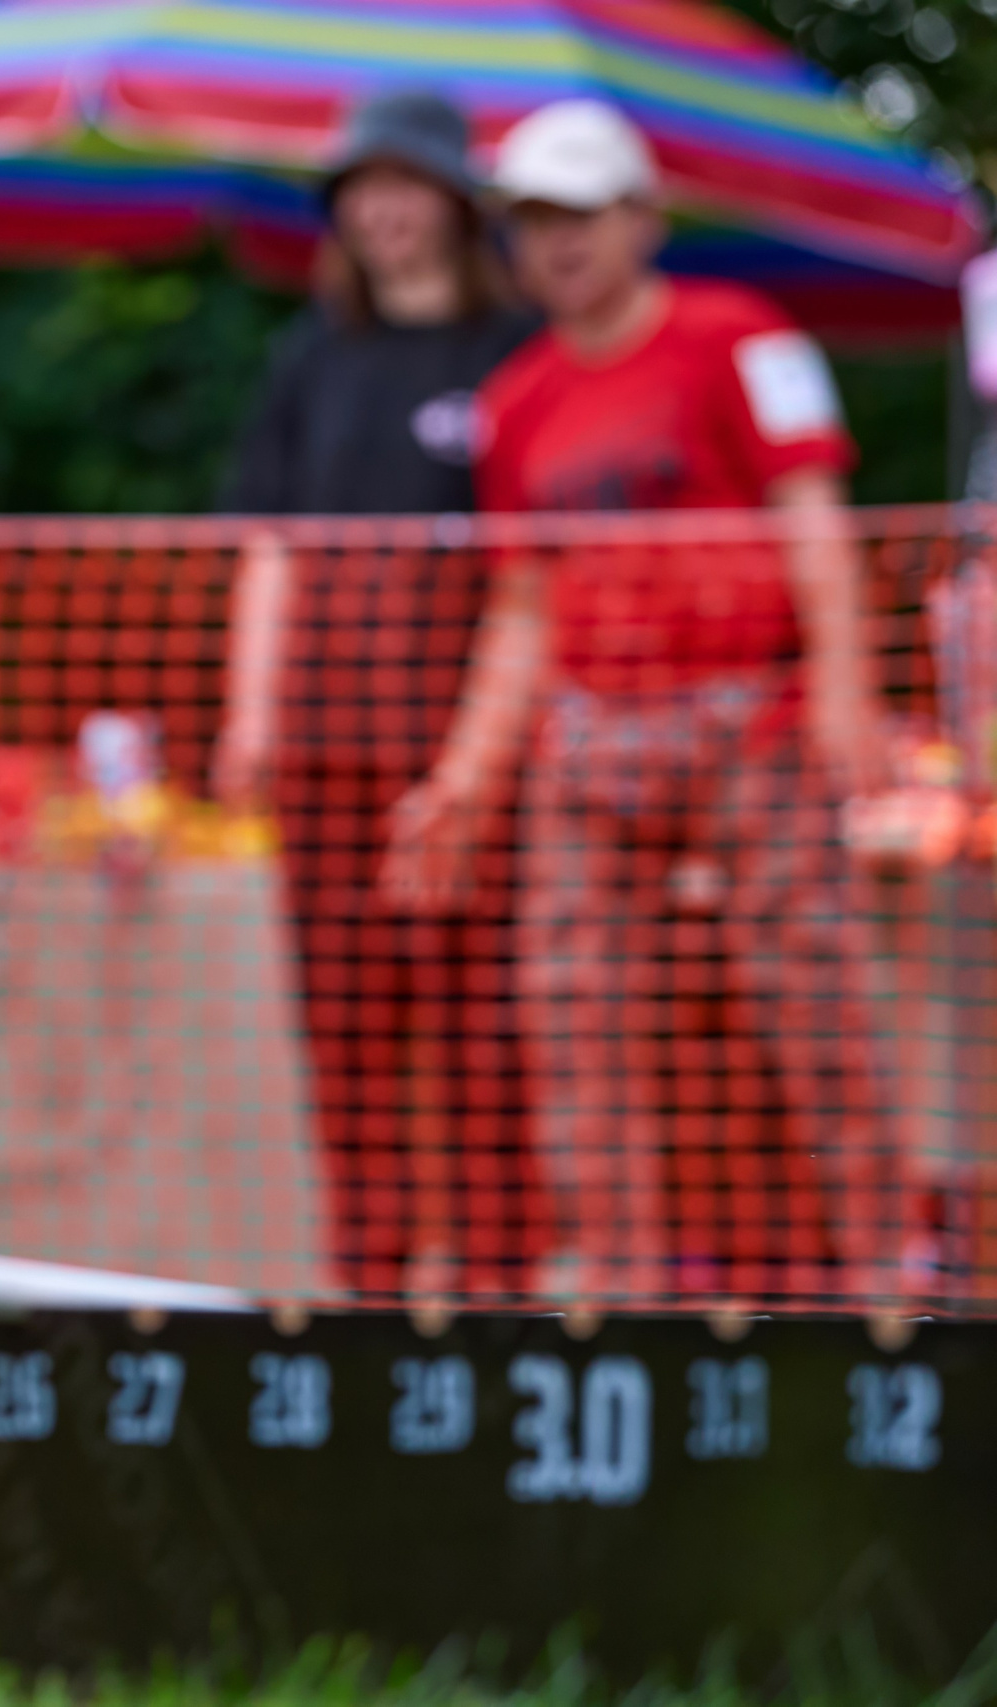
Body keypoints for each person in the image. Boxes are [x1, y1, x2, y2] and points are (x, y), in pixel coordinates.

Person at [382, 101, 911, 1303]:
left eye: (578, 215)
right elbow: (520, 609)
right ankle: (615, 1291)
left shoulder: (740, 337)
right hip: (589, 739)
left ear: (641, 218)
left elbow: (812, 519)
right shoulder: (515, 401)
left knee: (815, 1004)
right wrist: (464, 779)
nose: (555, 242)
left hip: (751, 728)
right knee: (572, 1016)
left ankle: (887, 1274)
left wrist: (844, 682)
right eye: (530, 221)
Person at [215, 91, 540, 1302]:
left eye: (404, 186)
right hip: (331, 761)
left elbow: (534, 578)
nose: (382, 210)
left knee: (485, 1044)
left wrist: (469, 770)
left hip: (482, 771)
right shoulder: (312, 357)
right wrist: (252, 717)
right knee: (347, 1040)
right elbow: (273, 548)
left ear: (456, 205)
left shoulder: (518, 354)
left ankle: (499, 1294)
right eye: (360, 189)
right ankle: (368, 1290)